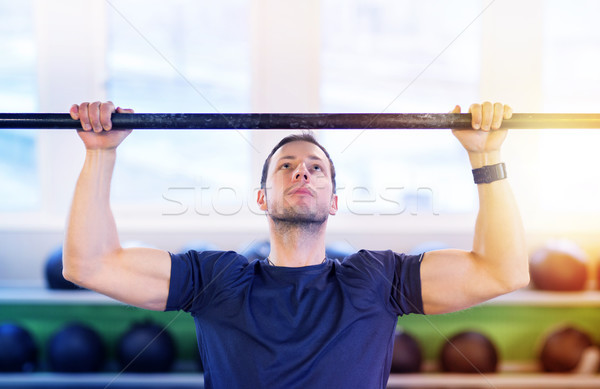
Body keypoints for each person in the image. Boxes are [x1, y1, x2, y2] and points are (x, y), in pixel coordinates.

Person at [63, 101, 528, 388]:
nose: (302, 171)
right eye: (285, 165)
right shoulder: (218, 279)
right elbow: (90, 264)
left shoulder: (375, 279)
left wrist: (485, 155)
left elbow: (502, 271)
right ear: (263, 198)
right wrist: (99, 154)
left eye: (316, 168)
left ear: (333, 203)